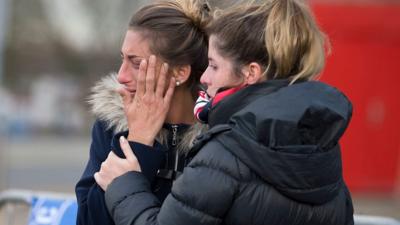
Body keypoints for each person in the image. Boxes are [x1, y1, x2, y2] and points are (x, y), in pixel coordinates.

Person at [97, 0, 355, 224]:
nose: (205, 77)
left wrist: (126, 182)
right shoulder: (322, 149)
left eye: (213, 66)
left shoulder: (225, 151)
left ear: (251, 72)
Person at [75, 1, 211, 225]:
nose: (121, 75)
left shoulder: (218, 133)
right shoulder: (112, 125)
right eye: (123, 59)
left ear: (180, 72)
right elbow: (89, 220)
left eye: (136, 63)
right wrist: (138, 141)